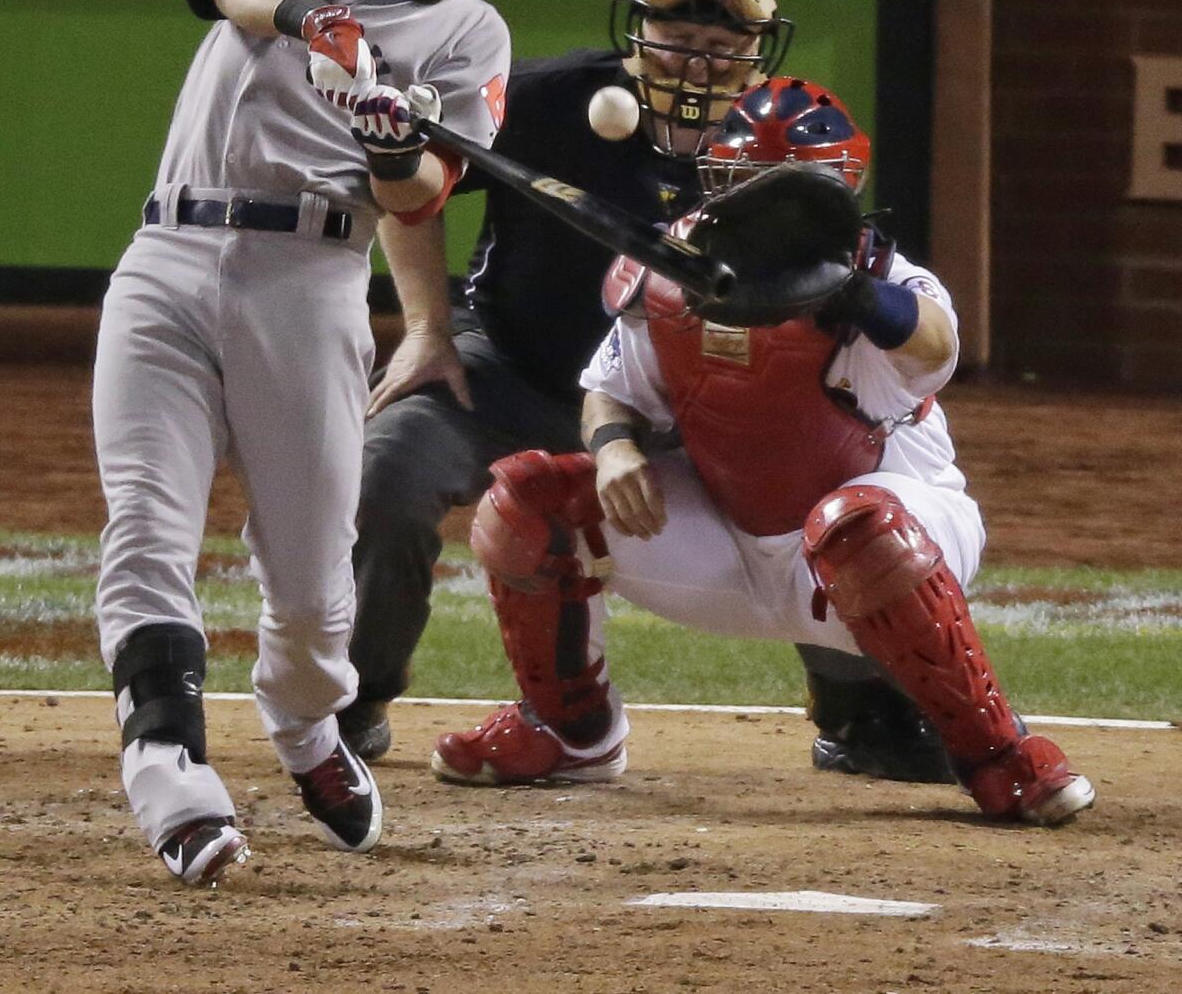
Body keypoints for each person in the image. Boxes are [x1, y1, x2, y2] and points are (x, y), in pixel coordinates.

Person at [339, 0, 954, 788]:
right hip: (511, 369)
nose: (698, 51)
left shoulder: (772, 139)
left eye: (725, 35)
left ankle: (859, 713)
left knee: (808, 486)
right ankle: (356, 698)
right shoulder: (550, 98)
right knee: (392, 464)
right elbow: (412, 190)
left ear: (758, 53)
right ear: (639, 28)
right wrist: (425, 328)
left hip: (684, 409)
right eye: (676, 25)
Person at [430, 78, 1096, 829]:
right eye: (749, 187)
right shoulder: (667, 278)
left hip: (889, 554)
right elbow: (610, 391)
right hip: (722, 547)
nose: (764, 212)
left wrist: (848, 294)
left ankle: (999, 756)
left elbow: (936, 343)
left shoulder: (887, 285)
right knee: (527, 500)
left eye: (789, 193)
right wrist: (615, 447)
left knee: (857, 524)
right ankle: (570, 733)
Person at [90, 0, 527, 887]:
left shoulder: (472, 33)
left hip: (311, 280)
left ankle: (306, 725)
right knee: (148, 520)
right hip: (168, 259)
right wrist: (318, 26)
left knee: (310, 576)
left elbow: (425, 193)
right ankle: (170, 771)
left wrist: (388, 140)